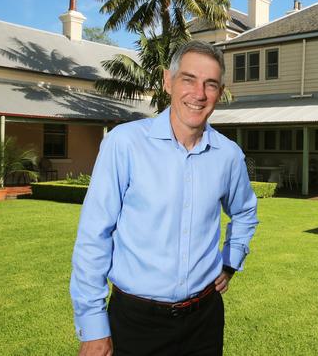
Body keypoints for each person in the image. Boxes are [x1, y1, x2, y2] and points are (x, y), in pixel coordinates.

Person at [70, 40, 258, 356]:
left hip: (204, 322)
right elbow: (94, 236)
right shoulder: (124, 144)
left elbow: (245, 213)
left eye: (210, 84)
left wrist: (230, 261)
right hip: (135, 323)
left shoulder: (228, 155)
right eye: (188, 79)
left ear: (219, 91)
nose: (199, 94)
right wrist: (93, 327)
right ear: (167, 81)